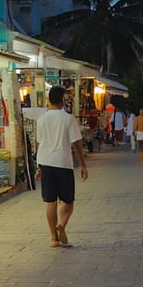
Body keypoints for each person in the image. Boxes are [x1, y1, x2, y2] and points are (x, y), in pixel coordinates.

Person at [34, 85, 89, 248]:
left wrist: (39, 166)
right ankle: (62, 224)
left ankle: (54, 238)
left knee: (50, 202)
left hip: (45, 162)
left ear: (49, 100)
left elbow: (38, 144)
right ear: (62, 100)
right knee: (68, 201)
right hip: (63, 163)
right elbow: (76, 143)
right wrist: (83, 165)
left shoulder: (41, 120)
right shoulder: (68, 118)